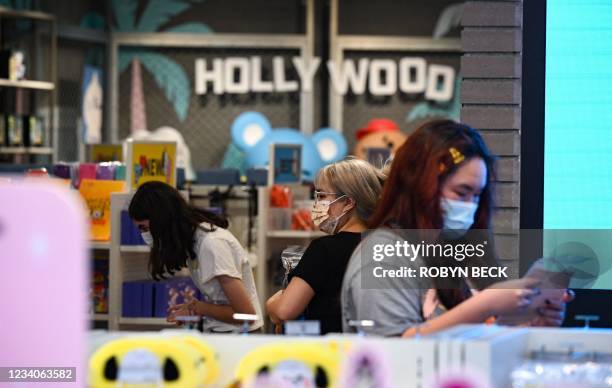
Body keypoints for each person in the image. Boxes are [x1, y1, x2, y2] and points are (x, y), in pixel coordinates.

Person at [341, 120, 573, 337]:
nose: (469, 206)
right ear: (419, 185)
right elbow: (389, 353)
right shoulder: (382, 254)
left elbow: (474, 336)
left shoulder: (457, 249)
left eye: (477, 196)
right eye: (461, 193)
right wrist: (485, 305)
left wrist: (528, 324)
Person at [266, 158, 385, 334]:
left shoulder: (325, 250)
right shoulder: (385, 246)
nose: (316, 204)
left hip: (330, 351)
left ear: (348, 202)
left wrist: (271, 303)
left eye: (322, 196)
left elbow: (285, 311)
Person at [128, 181, 263, 332]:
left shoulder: (212, 244)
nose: (144, 235)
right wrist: (194, 310)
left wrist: (199, 308)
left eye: (145, 228)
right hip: (224, 334)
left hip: (241, 340)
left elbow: (246, 316)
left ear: (161, 220)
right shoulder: (195, 242)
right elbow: (222, 304)